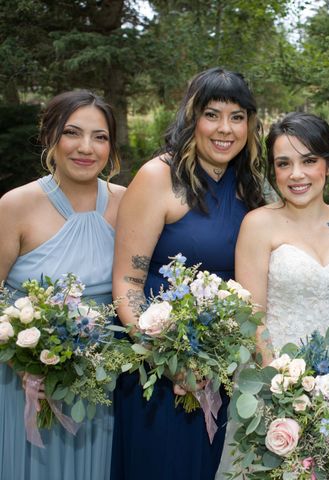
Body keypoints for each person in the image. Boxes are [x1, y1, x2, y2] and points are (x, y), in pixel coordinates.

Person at [110, 67, 265, 480]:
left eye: (237, 117)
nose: (225, 129)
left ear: (250, 123)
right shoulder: (159, 177)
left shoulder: (247, 185)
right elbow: (128, 283)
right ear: (191, 117)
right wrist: (168, 357)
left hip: (222, 366)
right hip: (159, 370)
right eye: (212, 114)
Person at [0, 90, 125, 480]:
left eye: (100, 137)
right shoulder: (15, 205)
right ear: (50, 136)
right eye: (73, 132)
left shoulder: (128, 203)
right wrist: (21, 357)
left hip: (103, 384)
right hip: (27, 381)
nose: (86, 147)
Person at [235, 111, 329, 360]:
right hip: (273, 375)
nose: (296, 174)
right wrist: (279, 380)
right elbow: (251, 316)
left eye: (309, 161)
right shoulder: (258, 224)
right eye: (283, 163)